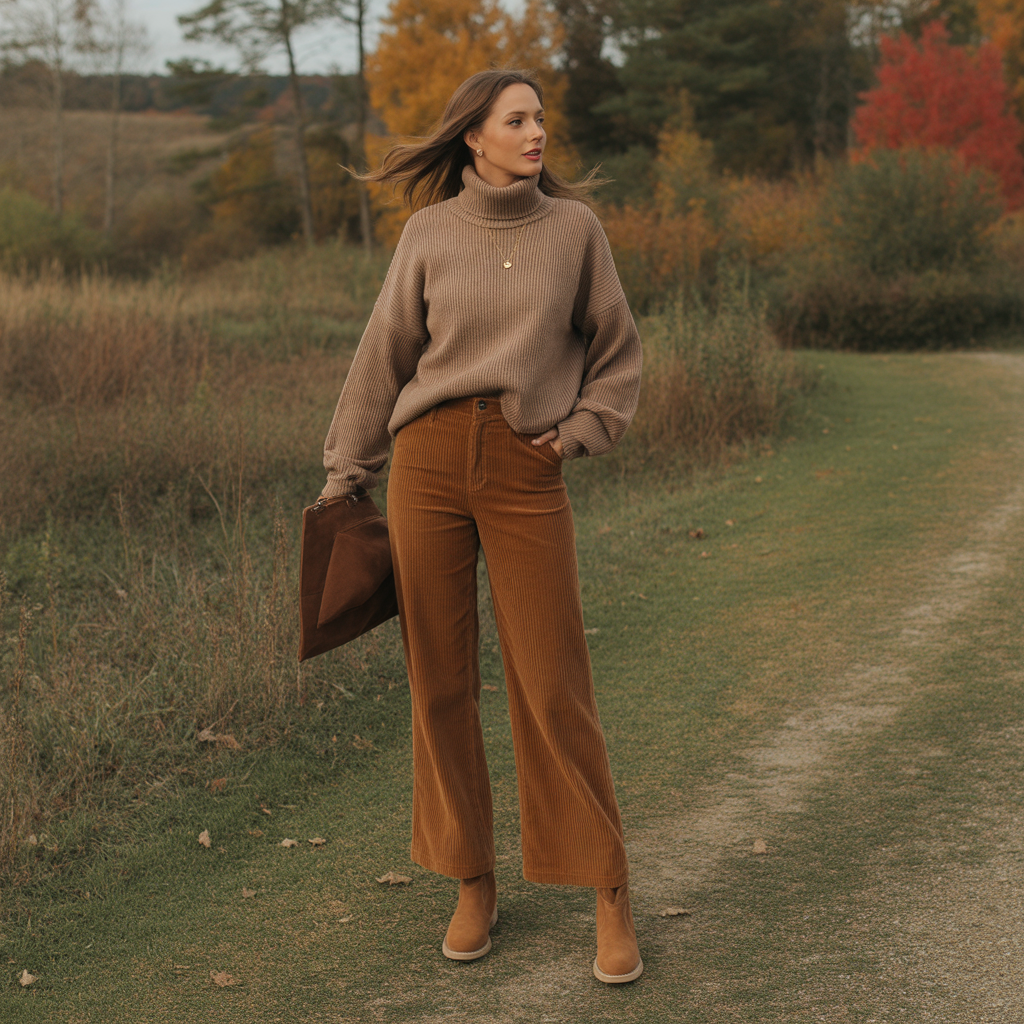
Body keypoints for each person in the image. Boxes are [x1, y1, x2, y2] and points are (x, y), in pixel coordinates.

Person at [317, 67, 644, 984]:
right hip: (423, 463)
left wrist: (579, 432)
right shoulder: (428, 232)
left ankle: (607, 886)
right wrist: (348, 474)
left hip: (525, 464)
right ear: (475, 136)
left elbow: (617, 351)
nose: (536, 131)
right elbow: (385, 353)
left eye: (541, 116)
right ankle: (473, 877)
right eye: (517, 119)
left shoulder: (575, 230)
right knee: (440, 682)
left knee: (552, 683)